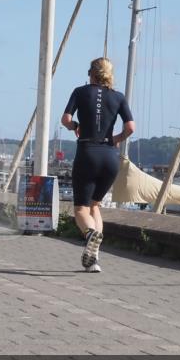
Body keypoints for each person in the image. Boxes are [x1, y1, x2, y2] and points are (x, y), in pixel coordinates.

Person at [61, 57, 135, 273]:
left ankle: (90, 235)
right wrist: (117, 139)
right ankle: (93, 259)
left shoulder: (80, 92)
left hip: (87, 152)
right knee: (95, 205)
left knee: (81, 209)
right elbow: (131, 127)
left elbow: (65, 120)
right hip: (110, 156)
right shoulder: (118, 97)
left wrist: (75, 125)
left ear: (91, 73)